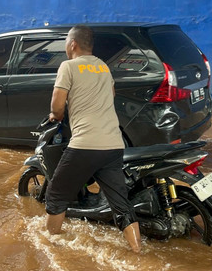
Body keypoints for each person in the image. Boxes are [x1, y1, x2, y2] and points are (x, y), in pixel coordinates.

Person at [45, 25, 142, 253]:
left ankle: (50, 246)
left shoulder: (68, 66)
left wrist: (55, 115)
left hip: (85, 145)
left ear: (73, 44)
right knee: (121, 205)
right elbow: (111, 94)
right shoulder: (103, 67)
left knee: (56, 194)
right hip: (113, 145)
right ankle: (138, 253)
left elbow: (58, 107)